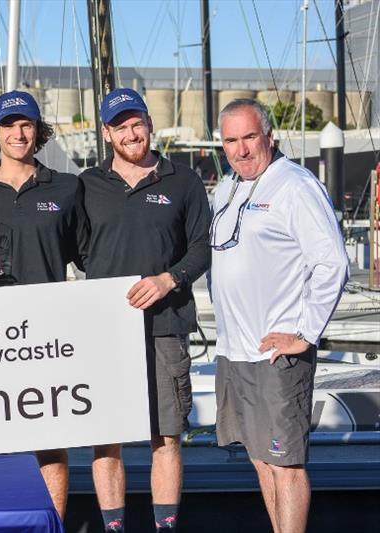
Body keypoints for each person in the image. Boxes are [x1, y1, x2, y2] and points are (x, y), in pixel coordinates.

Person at [210, 99, 348, 533]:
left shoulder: (294, 185)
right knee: (260, 462)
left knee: (285, 466)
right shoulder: (226, 188)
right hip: (235, 350)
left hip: (276, 356)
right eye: (231, 140)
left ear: (269, 136)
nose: (241, 149)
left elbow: (333, 263)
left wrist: (305, 333)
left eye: (250, 137)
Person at [77, 88, 211, 532]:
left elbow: (201, 248)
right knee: (105, 438)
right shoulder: (87, 185)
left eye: (137, 124)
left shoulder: (183, 181)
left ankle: (165, 527)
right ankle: (114, 527)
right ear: (106, 133)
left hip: (165, 327)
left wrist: (168, 279)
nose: (131, 134)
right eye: (121, 126)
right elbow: (71, 246)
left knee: (166, 436)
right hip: (104, 332)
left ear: (150, 124)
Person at [0, 90, 87, 519]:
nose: (18, 133)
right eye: (9, 125)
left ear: (39, 131)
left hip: (47, 332)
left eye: (26, 124)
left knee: (50, 440)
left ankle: (52, 525)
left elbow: (91, 255)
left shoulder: (66, 187)